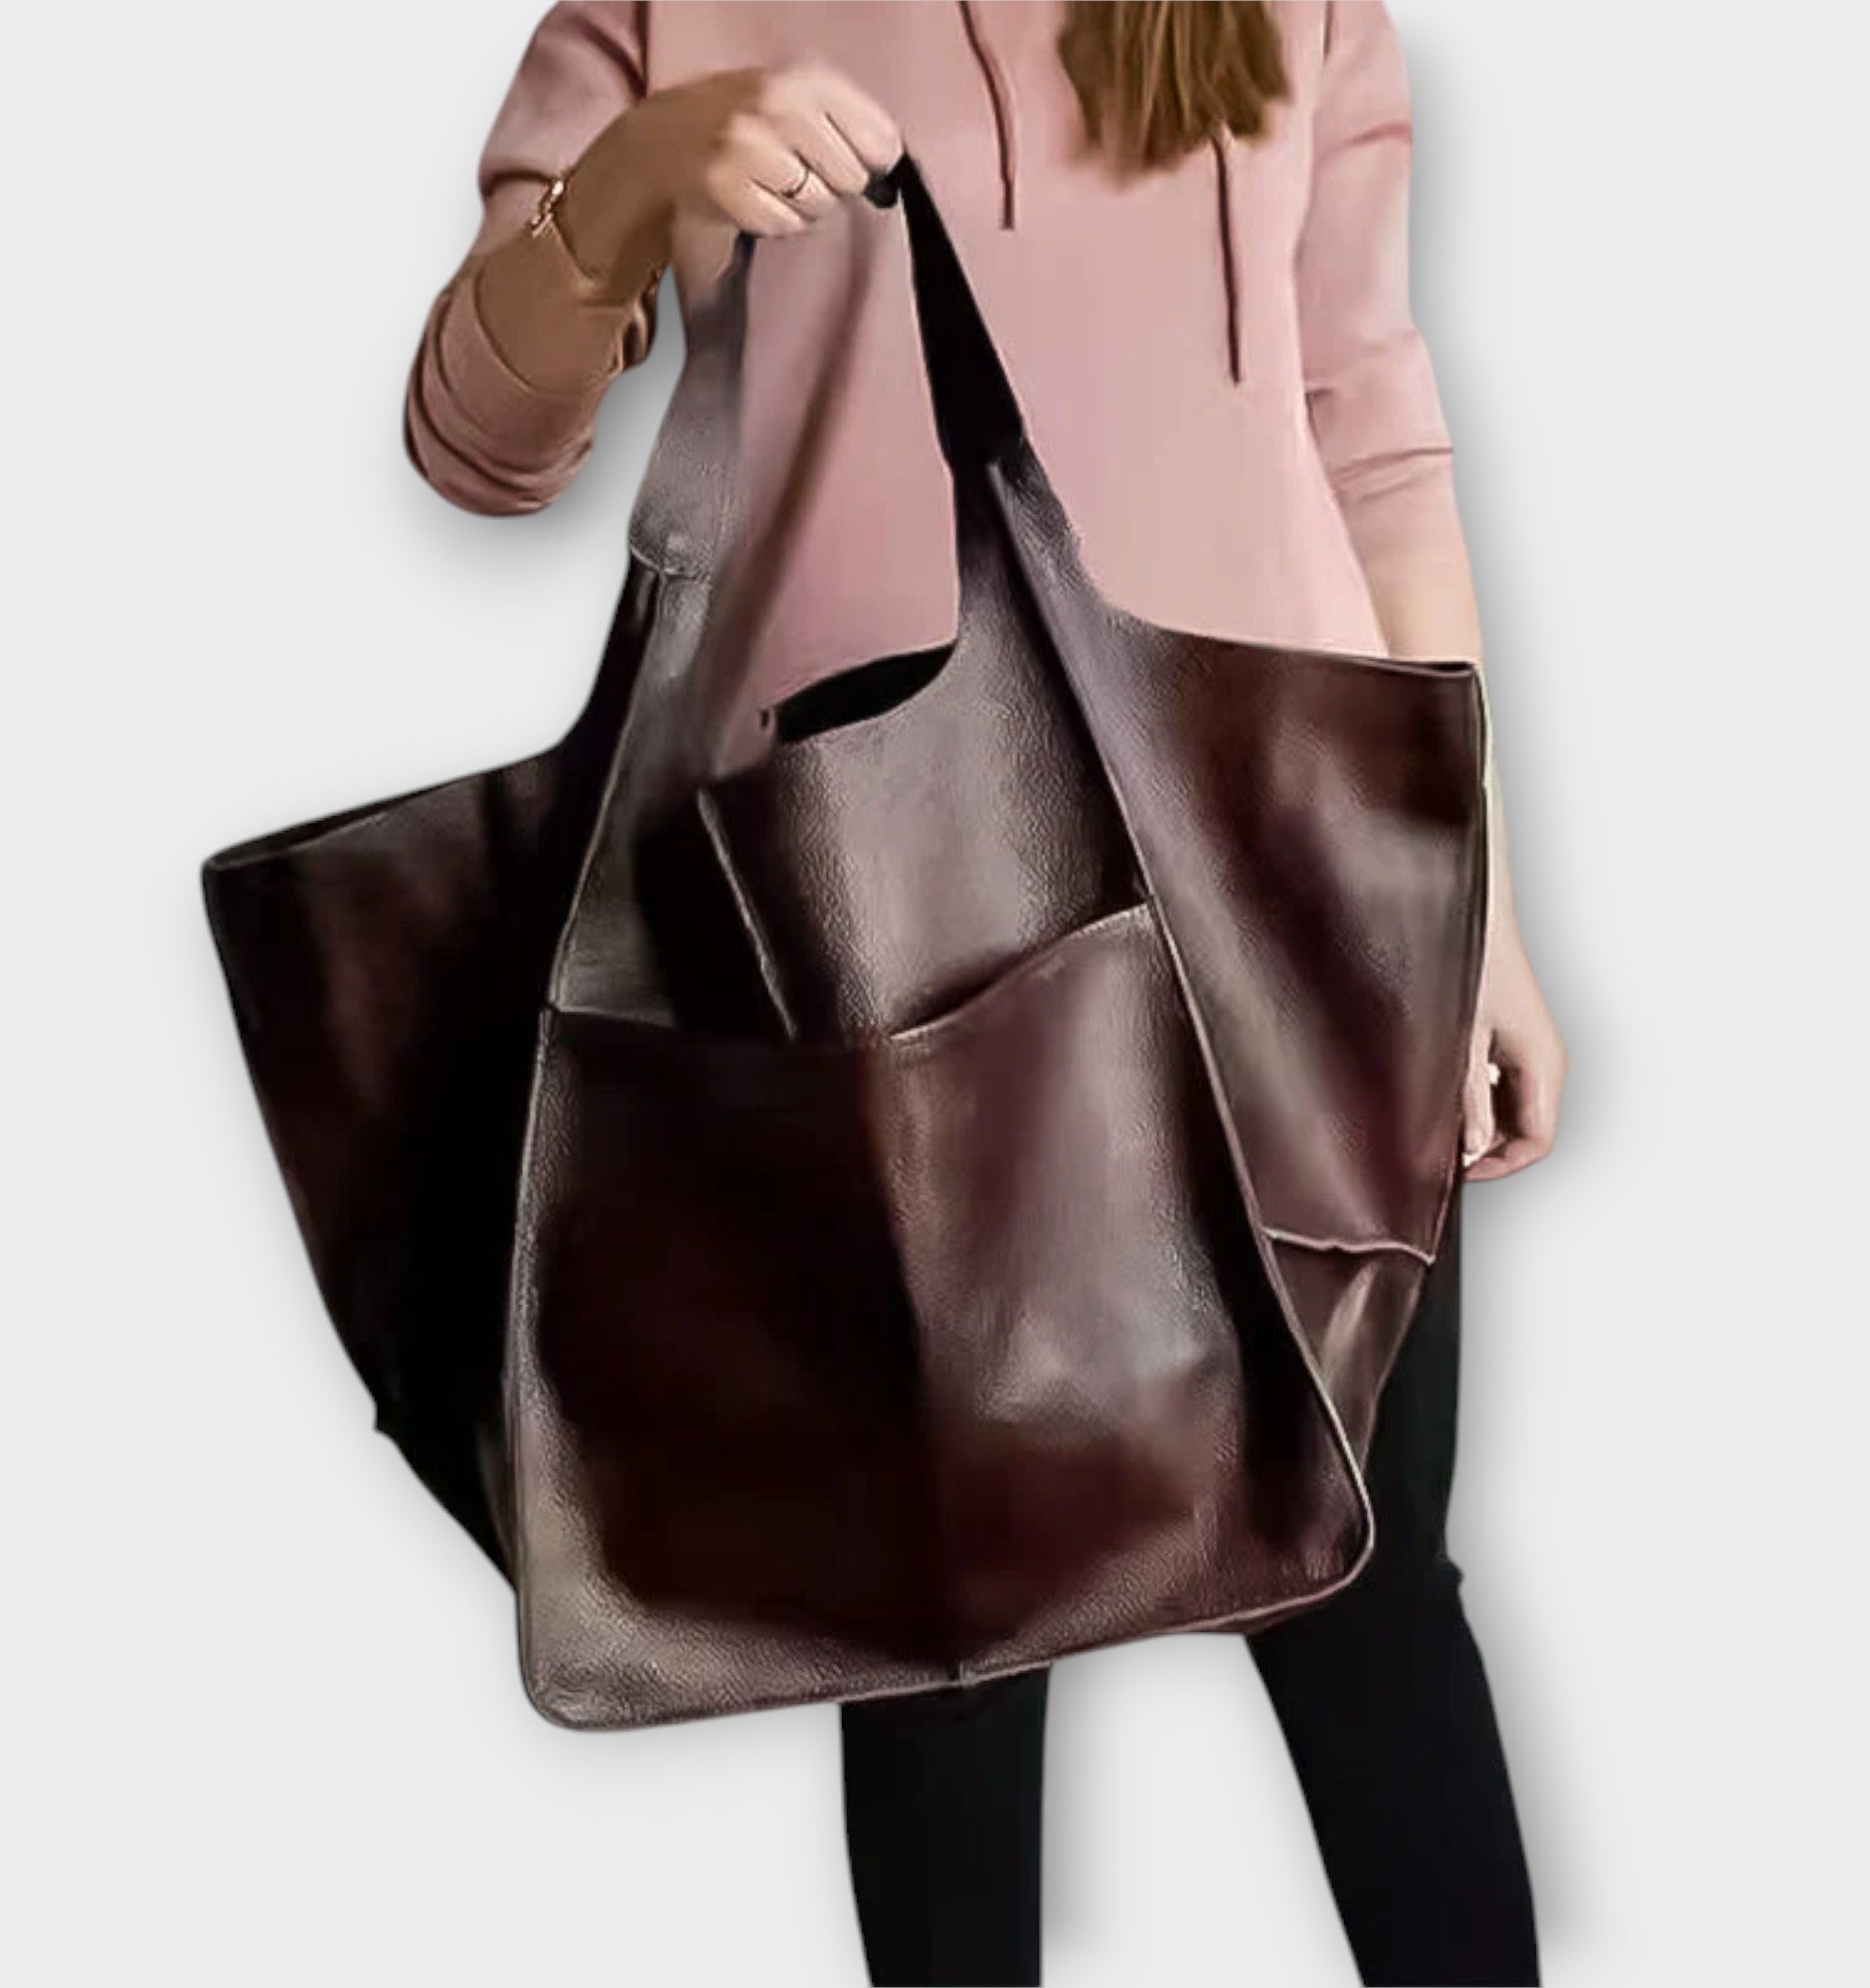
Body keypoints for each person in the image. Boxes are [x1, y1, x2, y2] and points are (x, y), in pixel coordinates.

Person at [403, 3, 1565, 1982]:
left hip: (1291, 901)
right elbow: (475, 449)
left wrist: (1485, 912)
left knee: (1363, 1585)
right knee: (947, 1645)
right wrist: (630, 185)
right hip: (881, 916)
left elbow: (1373, 433)